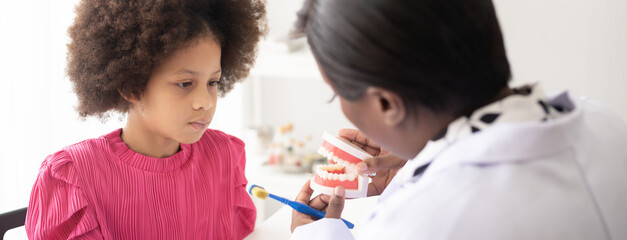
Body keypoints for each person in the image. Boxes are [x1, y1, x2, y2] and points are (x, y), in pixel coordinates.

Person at [289, 0, 627, 239]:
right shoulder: (607, 126)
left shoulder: (424, 221)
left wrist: (315, 236)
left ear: (387, 103)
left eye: (337, 93)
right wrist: (421, 164)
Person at [25, 0, 266, 239]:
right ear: (131, 86)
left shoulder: (222, 155)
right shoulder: (75, 177)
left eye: (212, 82)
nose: (205, 101)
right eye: (184, 83)